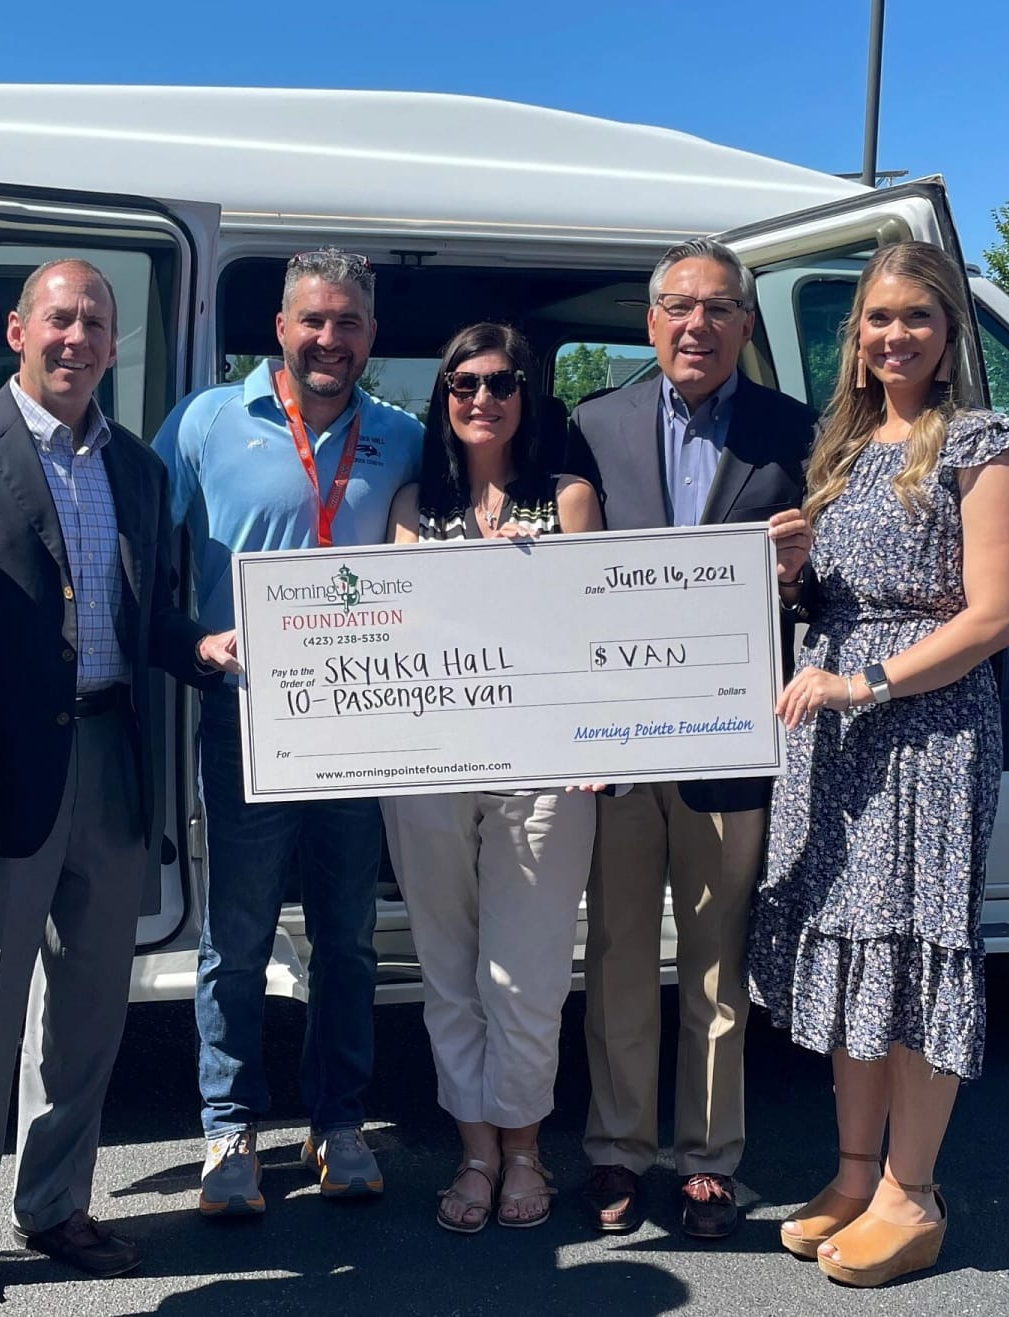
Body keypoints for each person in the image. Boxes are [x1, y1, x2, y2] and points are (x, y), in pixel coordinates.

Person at [0, 259, 220, 1314]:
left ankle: (56, 1203)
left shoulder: (138, 467)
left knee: (88, 1013)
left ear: (115, 346)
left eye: (96, 323)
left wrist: (204, 646)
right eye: (60, 318)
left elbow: (147, 619)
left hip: (113, 765)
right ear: (17, 330)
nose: (77, 337)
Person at [747, 240, 1009, 1287]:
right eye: (878, 319)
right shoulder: (845, 448)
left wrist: (865, 684)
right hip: (835, 734)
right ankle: (855, 1172)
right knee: (852, 948)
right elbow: (825, 605)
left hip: (925, 735)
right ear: (855, 338)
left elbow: (994, 616)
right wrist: (790, 574)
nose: (895, 335)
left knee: (912, 956)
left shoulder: (983, 443)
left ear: (950, 331)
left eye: (917, 316)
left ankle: (913, 1194)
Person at [154, 248, 423, 1216]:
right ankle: (229, 1131)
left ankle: (339, 1121)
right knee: (237, 934)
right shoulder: (205, 423)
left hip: (357, 723)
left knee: (349, 937)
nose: (330, 339)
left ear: (371, 338)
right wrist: (195, 644)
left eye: (349, 323)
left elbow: (438, 565)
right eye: (314, 320)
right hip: (246, 720)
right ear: (279, 327)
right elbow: (150, 566)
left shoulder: (403, 436)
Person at [563, 238, 815, 1239]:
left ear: (746, 327)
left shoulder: (793, 431)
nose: (695, 326)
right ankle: (618, 1148)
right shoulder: (595, 425)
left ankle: (710, 1159)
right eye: (677, 306)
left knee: (718, 960)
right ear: (650, 321)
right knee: (619, 953)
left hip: (728, 738)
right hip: (620, 746)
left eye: (717, 309)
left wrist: (798, 574)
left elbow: (827, 587)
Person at [379, 323, 602, 1232]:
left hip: (548, 769)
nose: (482, 397)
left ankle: (525, 1147)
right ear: (444, 397)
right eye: (463, 382)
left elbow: (593, 633)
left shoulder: (571, 498)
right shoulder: (408, 504)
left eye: (503, 382)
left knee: (531, 970)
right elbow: (392, 632)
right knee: (449, 963)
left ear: (527, 397)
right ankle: (476, 1150)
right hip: (431, 764)